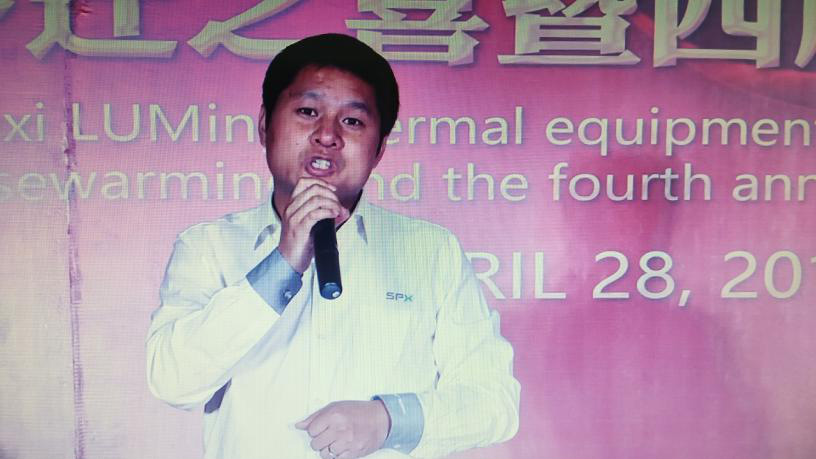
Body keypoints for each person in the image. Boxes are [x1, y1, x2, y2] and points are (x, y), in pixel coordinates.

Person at [146, 33, 520, 459]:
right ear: (265, 125)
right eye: (308, 112)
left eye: (353, 121)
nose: (327, 135)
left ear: (379, 149)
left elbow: (495, 403)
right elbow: (172, 382)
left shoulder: (432, 251)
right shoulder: (207, 246)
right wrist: (282, 264)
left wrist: (389, 420)